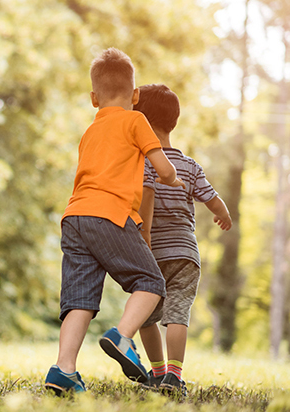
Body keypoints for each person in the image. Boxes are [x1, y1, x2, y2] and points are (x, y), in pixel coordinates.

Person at [43, 48, 185, 395]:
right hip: (110, 214)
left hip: (74, 217)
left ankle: (63, 370)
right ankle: (122, 336)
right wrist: (174, 179)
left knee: (79, 299)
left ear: (94, 98)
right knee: (151, 283)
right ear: (135, 96)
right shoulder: (136, 120)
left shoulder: (91, 131)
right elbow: (162, 165)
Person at [134, 84, 232, 396]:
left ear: (142, 122)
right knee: (178, 313)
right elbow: (213, 199)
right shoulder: (189, 165)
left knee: (146, 317)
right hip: (186, 254)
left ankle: (158, 372)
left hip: (151, 252)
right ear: (173, 121)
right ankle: (174, 376)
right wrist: (224, 215)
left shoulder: (142, 162)